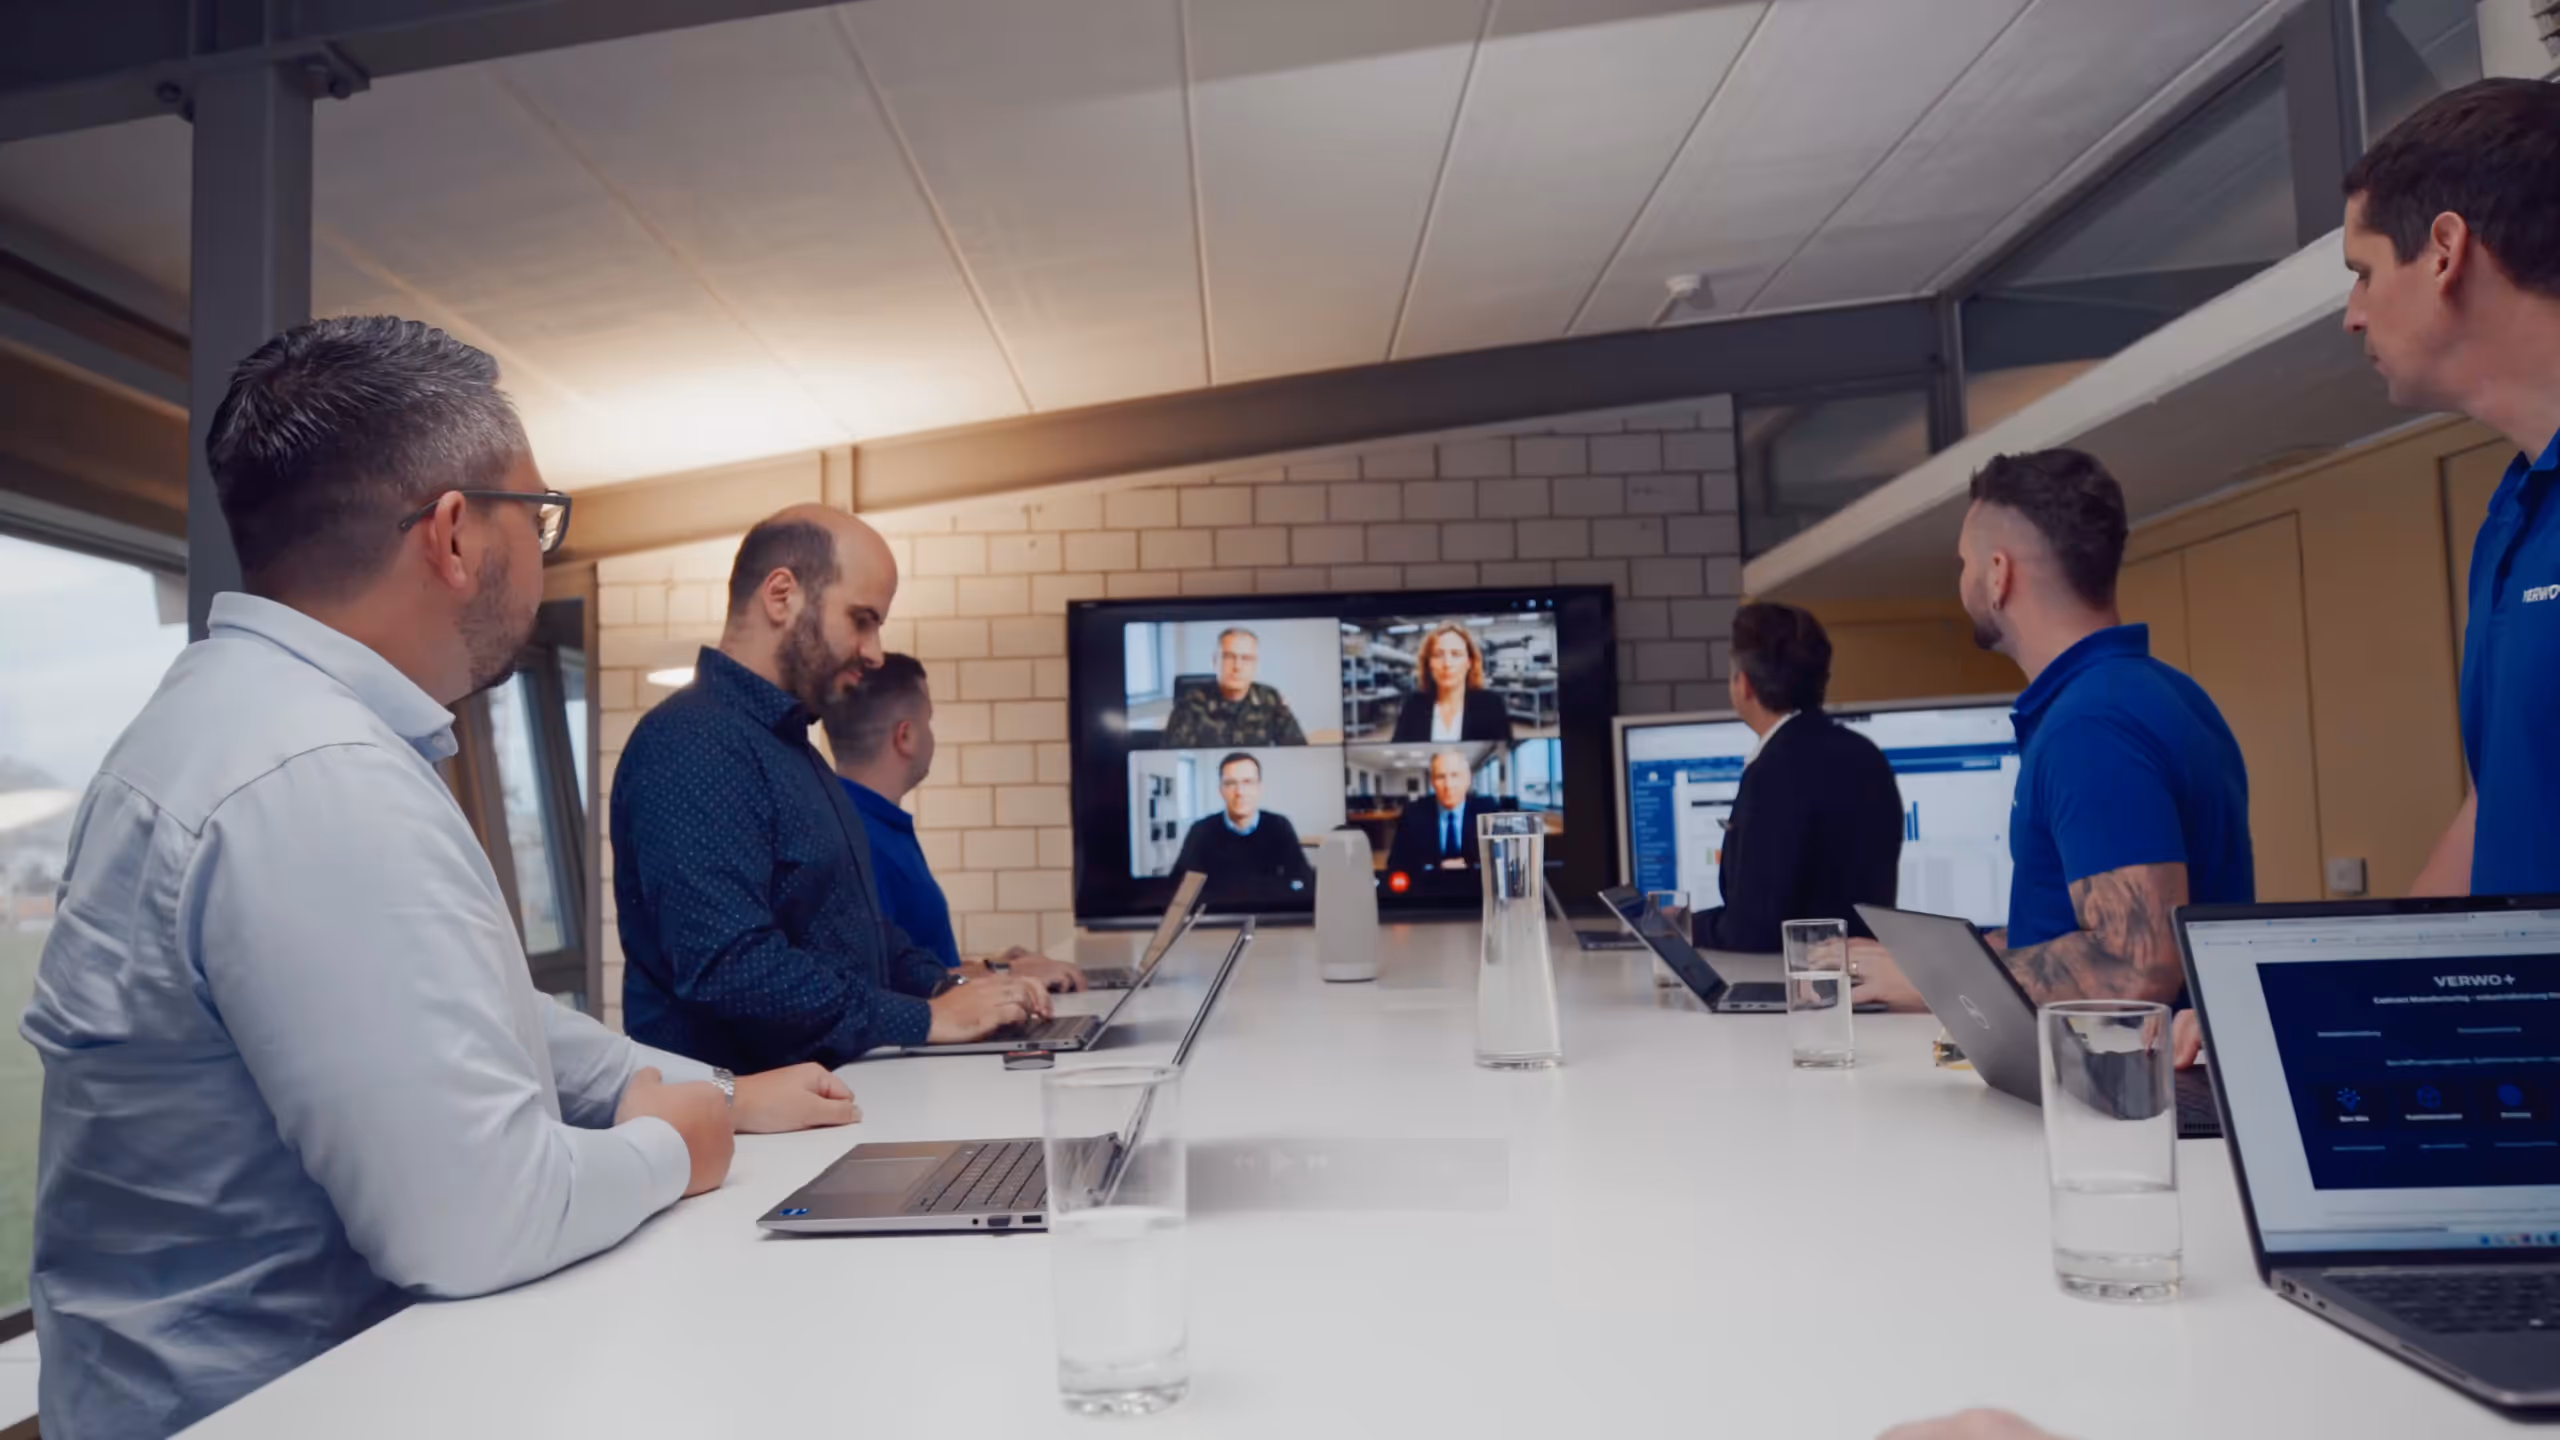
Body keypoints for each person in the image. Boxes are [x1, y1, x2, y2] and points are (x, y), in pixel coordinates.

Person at [18, 317, 861, 1440]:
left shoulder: (244, 724)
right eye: (539, 516)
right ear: (456, 534)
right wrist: (676, 1143)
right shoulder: (313, 777)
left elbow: (478, 1018)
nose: (543, 549)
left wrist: (699, 1091)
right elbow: (479, 1226)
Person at [612, 506, 1052, 1071]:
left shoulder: (789, 745)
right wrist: (926, 1019)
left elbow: (853, 934)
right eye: (862, 619)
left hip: (823, 1109)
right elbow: (729, 968)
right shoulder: (694, 741)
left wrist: (956, 988)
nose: (873, 651)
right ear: (781, 595)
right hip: (748, 1139)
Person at [1852, 449, 2253, 1014]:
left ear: (1998, 574)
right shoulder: (2167, 694)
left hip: (2118, 1093)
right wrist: (1920, 957)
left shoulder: (2091, 727)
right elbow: (2064, 934)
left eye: (1964, 565)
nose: (1963, 581)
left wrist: (1935, 977)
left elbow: (2133, 967)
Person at [2340, 79, 2560, 898]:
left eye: (2362, 272)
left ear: (2444, 250)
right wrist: (2347, 982)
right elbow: (2504, 801)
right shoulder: (2513, 519)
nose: (2353, 314)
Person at [816, 651, 1084, 990]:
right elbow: (879, 989)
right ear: (906, 736)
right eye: (928, 720)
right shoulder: (858, 840)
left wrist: (993, 967)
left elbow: (910, 966)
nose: (931, 734)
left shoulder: (870, 823)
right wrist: (1006, 979)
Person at [1691, 603, 1903, 953]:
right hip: (1868, 979)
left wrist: (1684, 927)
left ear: (1743, 685)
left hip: (1798, 989)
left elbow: (1753, 930)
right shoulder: (1866, 754)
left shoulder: (1773, 771)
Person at [1170, 752, 1315, 904]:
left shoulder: (1279, 826)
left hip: (1267, 916)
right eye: (1230, 783)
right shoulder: (1201, 830)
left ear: (1259, 788)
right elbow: (1179, 888)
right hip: (1216, 918)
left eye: (1248, 782)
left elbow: (1303, 882)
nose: (1239, 792)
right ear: (1221, 790)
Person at [1162, 626, 1307, 747]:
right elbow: (1172, 753)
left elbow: (1297, 749)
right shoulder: (1191, 703)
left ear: (1255, 665)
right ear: (1215, 661)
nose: (1237, 667)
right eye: (1229, 657)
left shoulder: (1270, 698)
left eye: (1246, 658)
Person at [1385, 749, 1509, 875]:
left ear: (1468, 779)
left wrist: (1468, 865)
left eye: (1455, 775)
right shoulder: (1413, 813)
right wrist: (1438, 867)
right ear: (1432, 782)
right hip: (1429, 888)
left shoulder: (1487, 809)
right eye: (1440, 777)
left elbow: (1502, 859)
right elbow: (1396, 864)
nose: (1448, 785)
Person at [1390, 622, 1514, 741]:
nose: (1447, 663)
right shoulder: (1413, 706)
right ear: (1429, 663)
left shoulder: (1491, 706)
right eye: (1438, 655)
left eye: (1456, 654)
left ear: (1469, 663)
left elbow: (1503, 754)